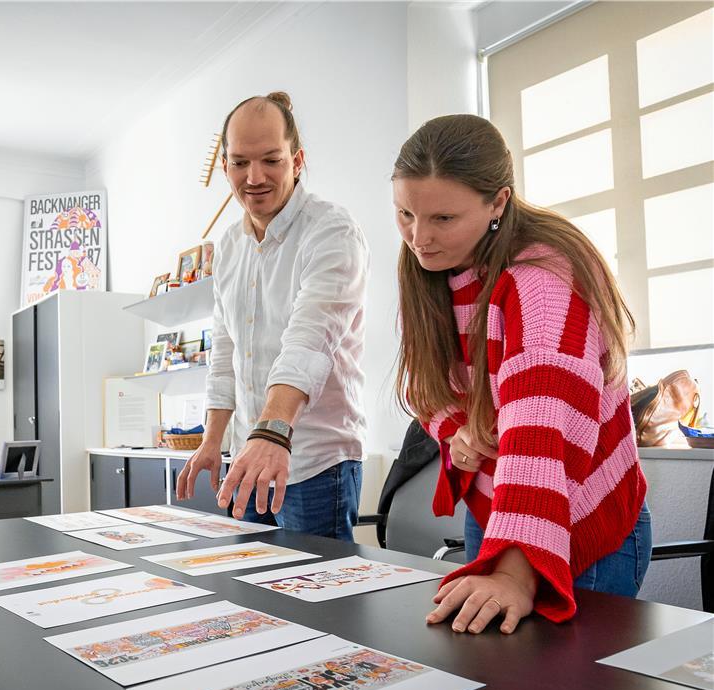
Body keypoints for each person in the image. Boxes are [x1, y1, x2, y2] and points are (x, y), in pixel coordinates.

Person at [391, 114, 651, 634]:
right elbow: (428, 388)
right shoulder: (433, 268)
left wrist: (513, 573)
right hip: (499, 509)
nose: (419, 238)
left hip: (578, 515)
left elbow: (542, 425)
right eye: (405, 214)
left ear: (499, 203)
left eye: (443, 218)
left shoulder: (544, 275)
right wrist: (457, 432)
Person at [176, 91, 369, 539]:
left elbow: (308, 341)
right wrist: (212, 440)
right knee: (247, 596)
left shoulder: (331, 231)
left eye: (271, 160)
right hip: (248, 455)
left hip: (316, 462)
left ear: (297, 160)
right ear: (225, 165)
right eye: (240, 163)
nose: (254, 177)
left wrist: (274, 433)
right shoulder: (227, 247)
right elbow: (225, 350)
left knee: (314, 601)